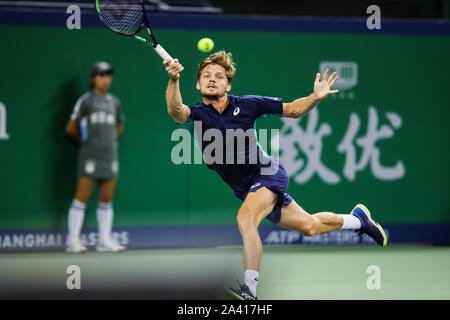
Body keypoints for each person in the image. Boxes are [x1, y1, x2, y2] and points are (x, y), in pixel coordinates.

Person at [163, 51, 387, 300]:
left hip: (267, 173)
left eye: (219, 76)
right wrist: (173, 80)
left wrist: (315, 97)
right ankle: (358, 220)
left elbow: (292, 110)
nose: (212, 79)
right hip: (246, 188)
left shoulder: (247, 104)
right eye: (206, 76)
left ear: (228, 84)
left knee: (246, 219)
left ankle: (250, 290)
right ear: (197, 84)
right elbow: (176, 112)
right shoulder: (198, 114)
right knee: (309, 227)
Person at [65, 62, 126, 253]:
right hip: (89, 155)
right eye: (101, 75)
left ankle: (104, 240)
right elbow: (70, 127)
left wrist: (107, 141)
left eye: (108, 75)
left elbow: (119, 127)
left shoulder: (114, 102)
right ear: (93, 78)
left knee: (107, 197)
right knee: (82, 196)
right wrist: (87, 141)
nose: (105, 79)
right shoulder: (85, 101)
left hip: (109, 155)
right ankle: (73, 240)